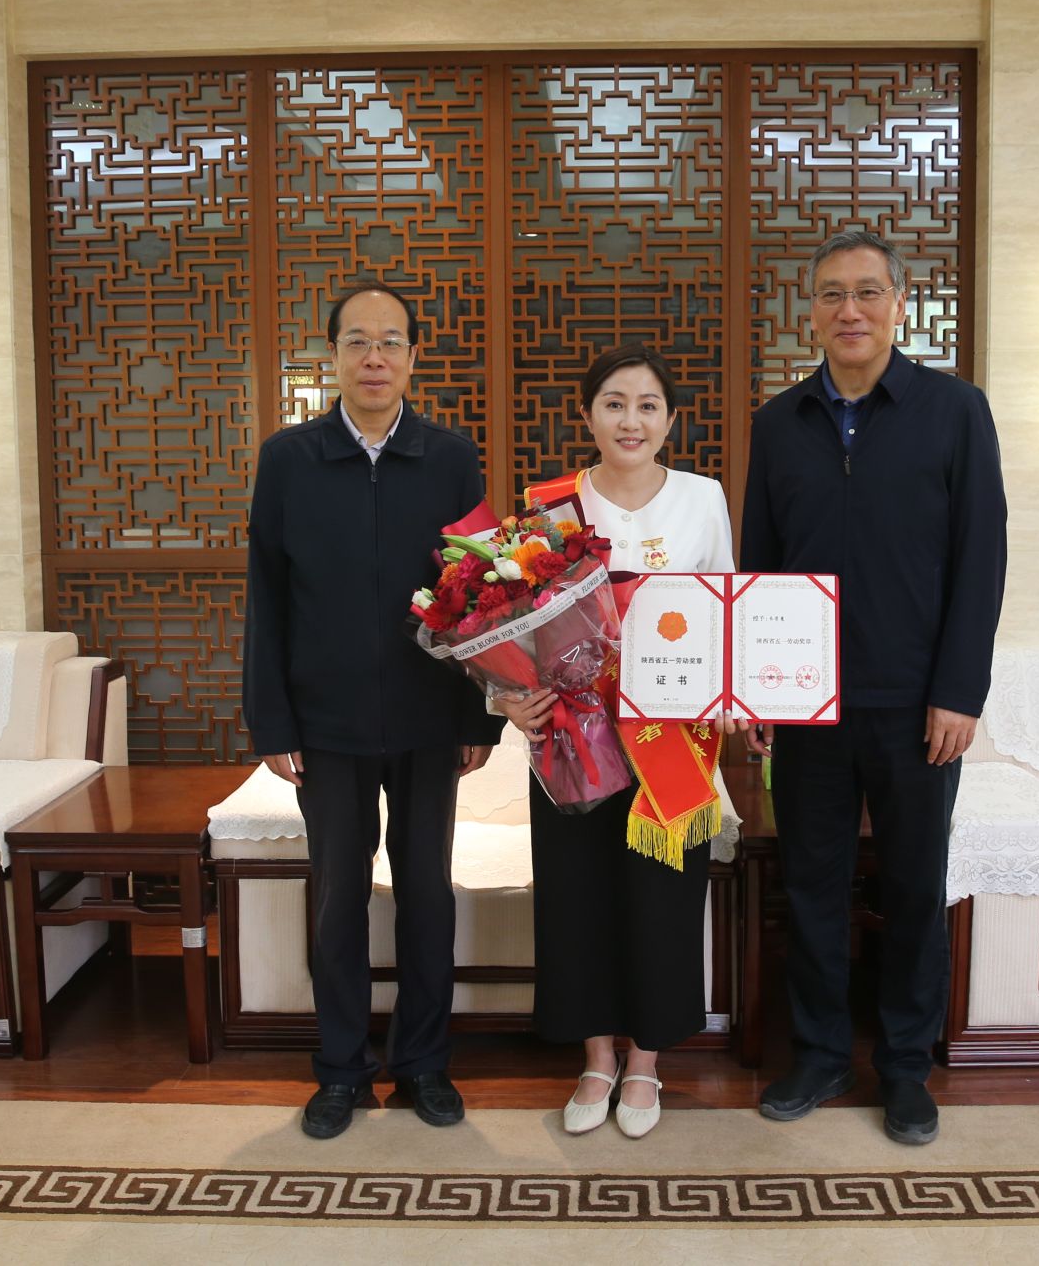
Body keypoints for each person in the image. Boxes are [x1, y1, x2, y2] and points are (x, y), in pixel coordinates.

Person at [741, 230, 1007, 1146]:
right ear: (810, 312)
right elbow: (761, 563)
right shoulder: (779, 422)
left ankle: (903, 1067)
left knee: (914, 886)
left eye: (865, 292)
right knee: (811, 885)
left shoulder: (954, 411)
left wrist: (960, 691)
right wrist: (757, 689)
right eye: (830, 294)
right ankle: (819, 1055)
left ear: (899, 303)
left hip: (917, 705)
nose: (847, 309)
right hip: (806, 702)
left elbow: (981, 558)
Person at [244, 280, 503, 1140]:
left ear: (414, 357)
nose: (374, 357)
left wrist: (479, 716)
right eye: (357, 341)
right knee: (338, 898)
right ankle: (342, 1069)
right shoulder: (289, 459)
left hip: (430, 717)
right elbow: (267, 597)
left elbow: (481, 592)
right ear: (333, 356)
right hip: (327, 724)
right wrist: (273, 722)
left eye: (391, 341)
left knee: (427, 893)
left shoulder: (451, 457)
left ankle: (424, 1062)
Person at [496, 342, 737, 1140]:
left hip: (672, 734)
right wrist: (506, 695)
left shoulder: (703, 497)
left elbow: (726, 609)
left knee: (662, 895)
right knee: (578, 894)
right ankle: (596, 1057)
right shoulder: (549, 507)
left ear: (670, 419)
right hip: (573, 735)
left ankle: (645, 1060)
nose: (631, 420)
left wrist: (735, 697)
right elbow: (513, 626)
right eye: (614, 403)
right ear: (588, 414)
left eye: (647, 405)